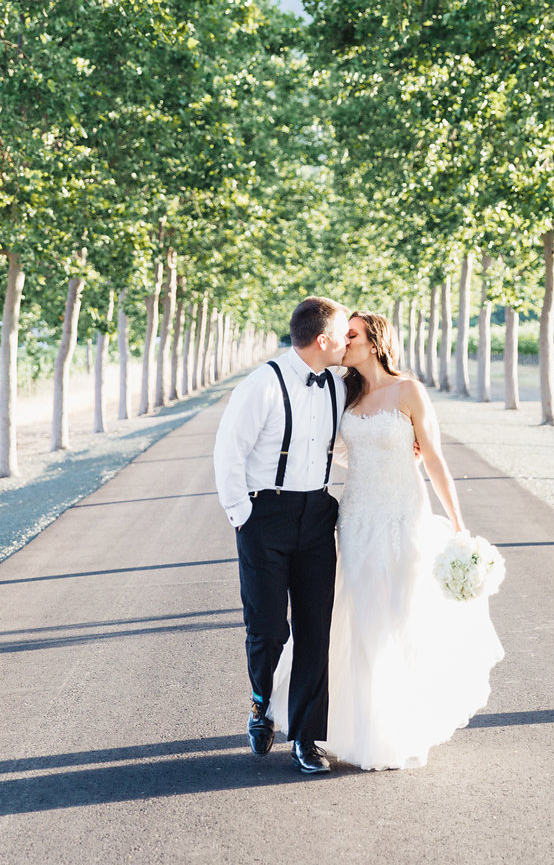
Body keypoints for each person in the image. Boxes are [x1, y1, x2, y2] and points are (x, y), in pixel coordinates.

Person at [308, 309, 504, 770]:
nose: (343, 341)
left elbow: (434, 460)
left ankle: (401, 723)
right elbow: (332, 451)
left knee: (401, 614)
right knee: (363, 616)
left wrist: (458, 525)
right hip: (357, 518)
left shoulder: (409, 391)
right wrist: (375, 465)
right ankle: (361, 728)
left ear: (374, 342)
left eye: (351, 335)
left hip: (404, 516)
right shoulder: (344, 393)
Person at [213, 296, 348, 775]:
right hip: (264, 515)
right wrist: (242, 518)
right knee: (268, 628)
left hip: (316, 515)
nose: (348, 340)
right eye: (343, 332)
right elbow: (228, 452)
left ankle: (306, 737)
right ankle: (260, 702)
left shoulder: (337, 383)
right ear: (323, 339)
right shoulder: (262, 384)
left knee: (315, 629)